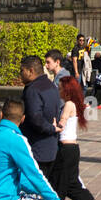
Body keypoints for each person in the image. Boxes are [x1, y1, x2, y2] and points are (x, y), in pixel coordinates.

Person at [52, 74, 101, 200]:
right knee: (70, 183)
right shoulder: (73, 103)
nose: (58, 90)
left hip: (66, 149)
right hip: (71, 149)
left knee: (62, 182)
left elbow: (61, 124)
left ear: (67, 90)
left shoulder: (69, 104)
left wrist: (52, 125)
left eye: (60, 87)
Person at [19, 55, 62, 183]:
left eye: (22, 71)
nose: (20, 74)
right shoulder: (50, 85)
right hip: (50, 148)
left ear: (31, 71)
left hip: (37, 148)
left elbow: (35, 118)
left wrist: (51, 128)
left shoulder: (33, 89)